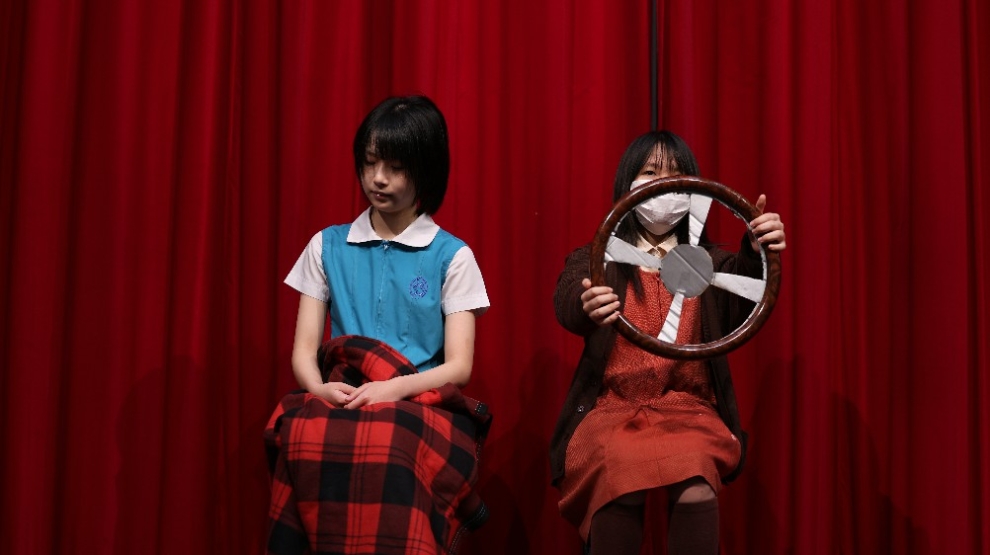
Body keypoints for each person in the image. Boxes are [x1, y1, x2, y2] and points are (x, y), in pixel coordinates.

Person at [265, 95, 492, 555]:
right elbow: (304, 352)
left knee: (389, 440)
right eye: (369, 163)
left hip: (418, 399)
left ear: (426, 170)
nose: (378, 178)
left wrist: (392, 390)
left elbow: (459, 367)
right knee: (300, 432)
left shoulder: (453, 256)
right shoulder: (326, 246)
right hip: (342, 392)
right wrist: (320, 389)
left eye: (395, 167)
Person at [549, 130, 786, 555]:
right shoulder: (599, 258)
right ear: (627, 183)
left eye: (676, 175)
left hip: (688, 407)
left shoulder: (709, 265)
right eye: (650, 173)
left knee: (696, 480)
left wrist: (755, 250)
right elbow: (569, 302)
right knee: (619, 475)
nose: (663, 186)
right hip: (614, 407)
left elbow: (742, 303)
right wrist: (587, 304)